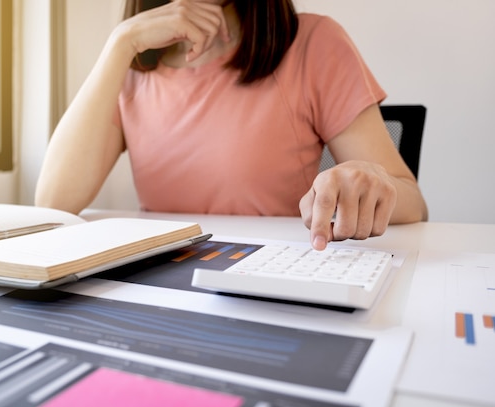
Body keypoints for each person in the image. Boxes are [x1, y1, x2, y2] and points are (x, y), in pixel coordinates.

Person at [35, 0, 428, 251]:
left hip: (274, 271)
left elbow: (412, 201)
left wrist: (369, 182)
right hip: (159, 277)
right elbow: (53, 202)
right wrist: (122, 41)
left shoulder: (314, 41)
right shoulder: (133, 67)